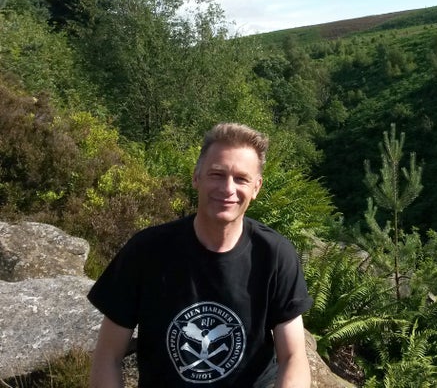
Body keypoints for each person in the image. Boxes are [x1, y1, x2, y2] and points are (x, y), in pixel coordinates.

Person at [88, 123, 313, 387]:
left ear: (256, 188)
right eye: (217, 174)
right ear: (197, 177)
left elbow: (293, 356)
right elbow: (108, 355)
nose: (228, 189)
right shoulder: (146, 251)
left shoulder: (275, 255)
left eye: (241, 178)